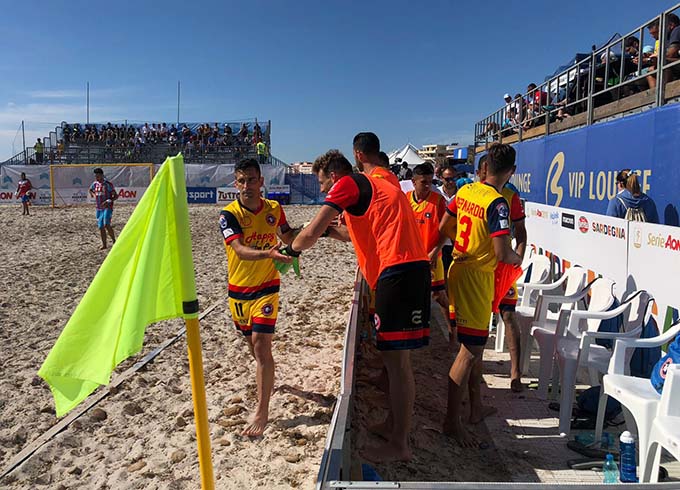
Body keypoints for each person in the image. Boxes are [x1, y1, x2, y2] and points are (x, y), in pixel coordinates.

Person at [288, 133, 430, 462]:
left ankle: (400, 444)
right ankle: (393, 426)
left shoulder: (348, 184)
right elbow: (351, 235)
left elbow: (310, 232)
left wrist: (290, 249)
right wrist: (326, 232)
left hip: (400, 270)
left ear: (334, 175)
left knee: (398, 363)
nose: (323, 190)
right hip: (405, 268)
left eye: (322, 183)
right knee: (394, 359)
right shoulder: (381, 181)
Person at [438, 143, 521, 446]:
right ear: (511, 171)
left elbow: (444, 226)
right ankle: (451, 422)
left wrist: (468, 244)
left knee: (472, 345)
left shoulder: (466, 191)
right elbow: (502, 253)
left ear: (485, 167)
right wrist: (517, 258)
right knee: (469, 351)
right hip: (477, 277)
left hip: (458, 267)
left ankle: (474, 408)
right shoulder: (498, 203)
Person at [219, 158, 295, 437]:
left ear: (261, 181)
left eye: (252, 180)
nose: (247, 185)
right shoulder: (229, 215)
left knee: (261, 346)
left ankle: (262, 412)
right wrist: (268, 253)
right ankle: (269, 374)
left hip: (267, 287)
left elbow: (287, 236)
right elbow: (239, 250)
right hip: (239, 291)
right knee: (255, 349)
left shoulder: (274, 208)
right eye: (242, 181)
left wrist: (318, 229)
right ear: (235, 184)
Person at [477, 155, 527, 392]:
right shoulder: (472, 193)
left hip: (502, 266)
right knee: (479, 321)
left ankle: (516, 373)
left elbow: (521, 230)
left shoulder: (509, 196)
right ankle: (475, 371)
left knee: (508, 315)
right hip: (479, 267)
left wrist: (518, 256)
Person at [89, 168, 118, 249]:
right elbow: (90, 190)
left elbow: (116, 196)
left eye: (98, 176)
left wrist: (108, 201)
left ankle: (114, 240)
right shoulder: (95, 184)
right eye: (95, 176)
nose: (96, 178)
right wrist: (93, 195)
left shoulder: (108, 184)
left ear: (102, 175)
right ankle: (104, 244)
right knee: (101, 227)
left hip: (107, 208)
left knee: (106, 224)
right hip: (98, 208)